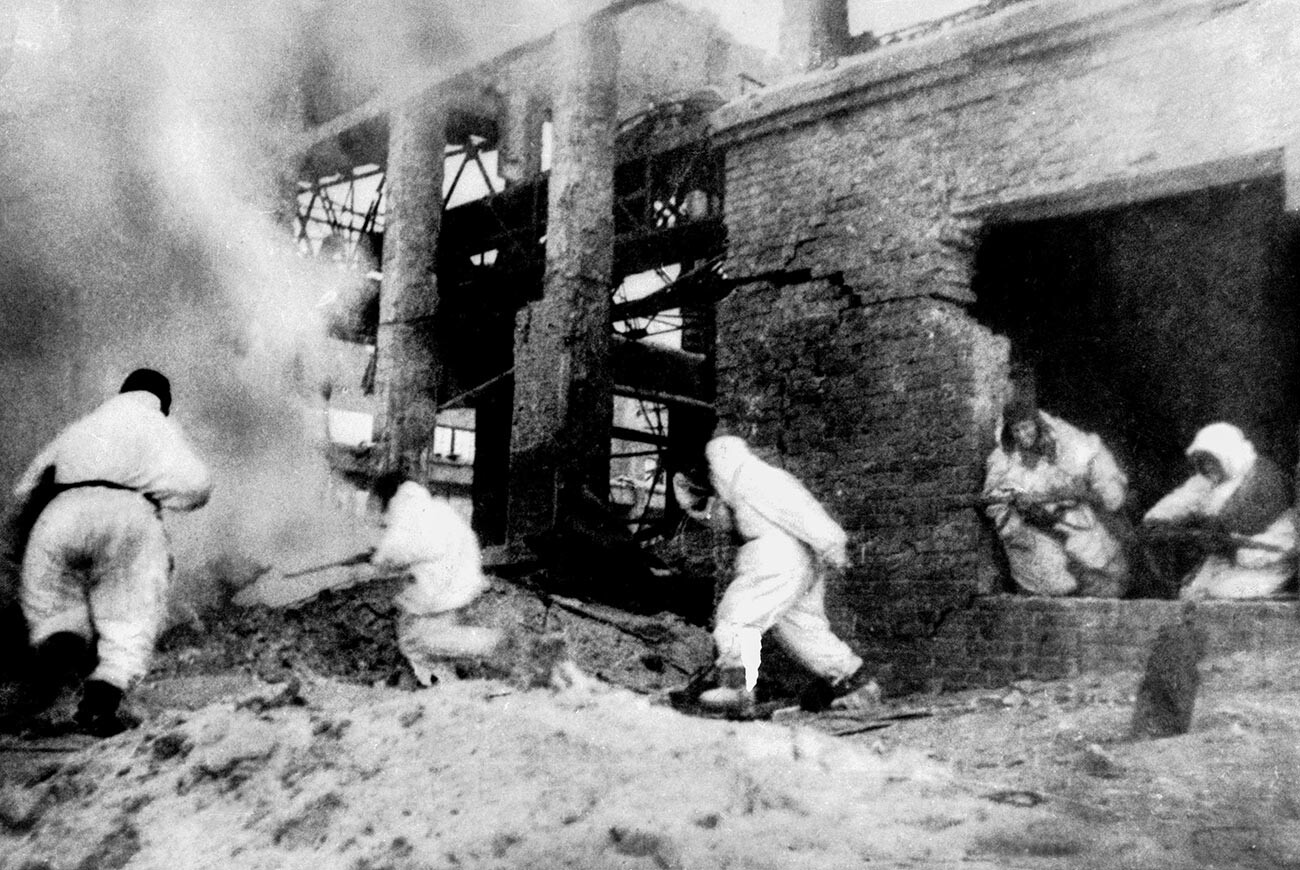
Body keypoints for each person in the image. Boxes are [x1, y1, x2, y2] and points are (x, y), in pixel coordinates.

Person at [11, 368, 212, 736]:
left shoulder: (83, 425)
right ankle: (98, 706)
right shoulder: (158, 425)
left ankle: (58, 668)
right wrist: (156, 491)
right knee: (129, 618)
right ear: (162, 401)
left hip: (62, 512)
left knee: (55, 609)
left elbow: (27, 488)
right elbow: (197, 487)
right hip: (128, 517)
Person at [675, 435, 879, 716]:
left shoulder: (756, 480)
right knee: (802, 628)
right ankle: (857, 683)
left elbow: (801, 512)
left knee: (737, 615)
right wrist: (697, 507)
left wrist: (835, 545)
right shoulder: (741, 485)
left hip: (778, 558)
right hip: (795, 560)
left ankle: (737, 689)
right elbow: (726, 521)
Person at [982, 398, 1131, 597]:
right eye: (1016, 431)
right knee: (1058, 583)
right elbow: (993, 499)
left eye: (1026, 428)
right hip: (1029, 530)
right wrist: (1016, 504)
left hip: (1064, 517)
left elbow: (1081, 464)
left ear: (1036, 425)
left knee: (1106, 564)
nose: (1022, 435)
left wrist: (1078, 490)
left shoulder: (1054, 445)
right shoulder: (1002, 460)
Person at [1142, 422, 1297, 600]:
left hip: (1265, 553)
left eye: (1211, 460)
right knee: (1192, 593)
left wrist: (1217, 534)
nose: (1207, 466)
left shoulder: (1261, 476)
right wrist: (1157, 519)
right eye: (1202, 461)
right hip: (1226, 553)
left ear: (1225, 455)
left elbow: (1246, 523)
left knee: (1226, 593)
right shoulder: (1209, 480)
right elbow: (1181, 501)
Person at [370, 474, 499, 686]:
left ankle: (492, 643)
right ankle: (444, 682)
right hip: (458, 579)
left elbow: (397, 548)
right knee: (424, 641)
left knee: (414, 639)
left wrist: (378, 558)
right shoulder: (433, 506)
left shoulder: (405, 504)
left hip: (441, 583)